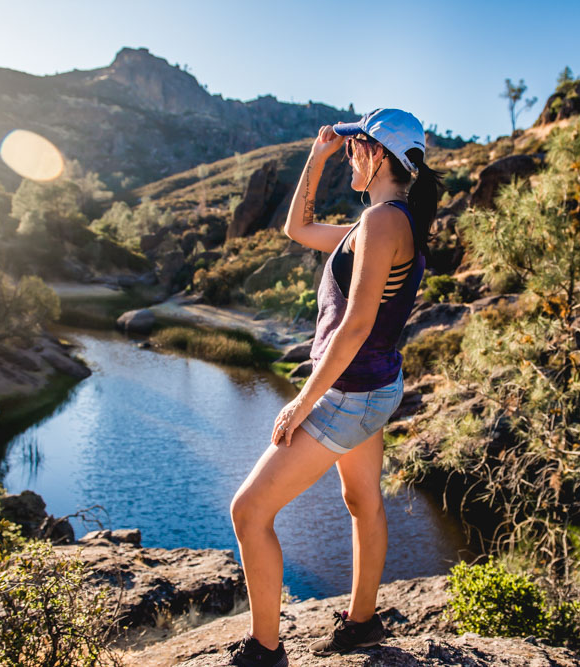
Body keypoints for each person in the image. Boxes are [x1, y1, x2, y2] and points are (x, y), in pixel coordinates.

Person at [221, 108, 444, 667]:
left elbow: (356, 326)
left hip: (348, 393)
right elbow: (296, 229)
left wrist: (302, 400)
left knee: (248, 512)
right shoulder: (384, 223)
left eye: (352, 150)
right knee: (362, 499)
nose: (348, 158)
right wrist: (316, 159)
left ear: (374, 155)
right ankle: (362, 623)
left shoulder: (383, 224)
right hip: (376, 388)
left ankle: (266, 650)